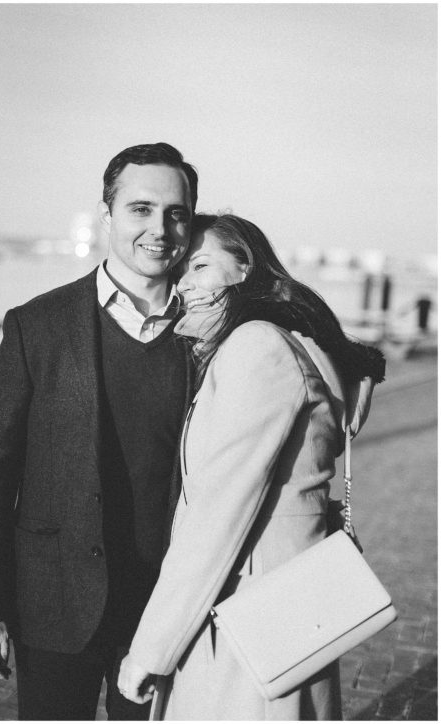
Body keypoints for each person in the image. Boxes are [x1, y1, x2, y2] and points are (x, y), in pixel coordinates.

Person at [0, 142, 199, 720]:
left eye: (175, 213)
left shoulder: (208, 331)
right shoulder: (36, 326)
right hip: (53, 598)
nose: (159, 229)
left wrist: (363, 366)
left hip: (166, 607)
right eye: (141, 209)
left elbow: (295, 318)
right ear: (107, 213)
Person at [117, 214, 385, 719]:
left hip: (246, 619)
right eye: (180, 273)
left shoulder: (255, 348)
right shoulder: (295, 339)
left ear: (245, 269)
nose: (185, 285)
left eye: (200, 266)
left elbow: (217, 516)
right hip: (289, 608)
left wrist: (150, 651)